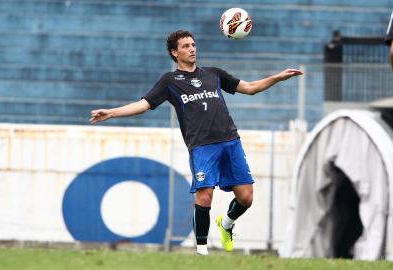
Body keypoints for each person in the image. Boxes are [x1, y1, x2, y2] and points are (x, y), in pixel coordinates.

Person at [90, 30, 303, 255]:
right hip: (202, 146)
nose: (192, 49)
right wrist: (111, 113)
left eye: (193, 45)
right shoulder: (170, 81)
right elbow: (143, 105)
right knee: (204, 194)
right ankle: (202, 252)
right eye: (185, 46)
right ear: (175, 52)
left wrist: (277, 78)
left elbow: (249, 88)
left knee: (246, 198)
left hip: (230, 141)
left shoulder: (214, 74)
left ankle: (227, 224)